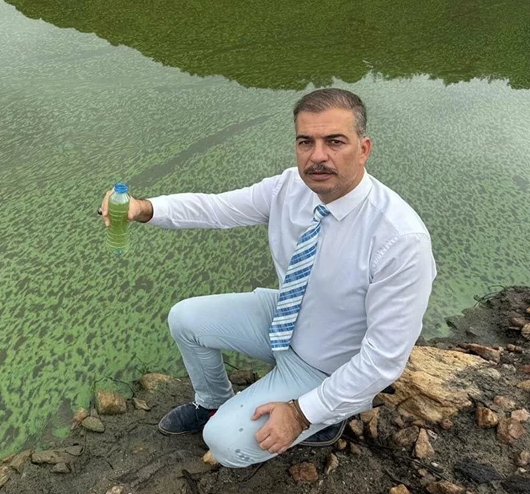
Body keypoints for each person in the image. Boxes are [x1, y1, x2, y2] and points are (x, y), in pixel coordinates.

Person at [99, 88, 436, 468]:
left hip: (328, 364)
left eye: (335, 141)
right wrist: (145, 208)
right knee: (184, 318)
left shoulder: (400, 239)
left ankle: (327, 418)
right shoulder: (289, 187)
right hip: (285, 318)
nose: (318, 156)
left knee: (224, 444)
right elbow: (216, 208)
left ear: (364, 148)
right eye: (305, 141)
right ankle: (211, 401)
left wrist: (302, 412)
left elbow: (383, 359)